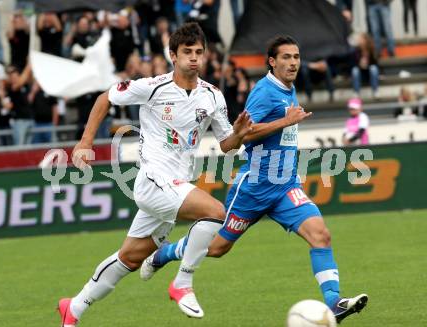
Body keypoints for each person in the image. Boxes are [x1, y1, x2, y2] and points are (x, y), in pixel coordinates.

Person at [141, 35, 369, 324]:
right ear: (272, 62)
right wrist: (285, 122)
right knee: (216, 248)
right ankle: (164, 253)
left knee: (320, 234)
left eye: (296, 57)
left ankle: (334, 302)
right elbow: (244, 133)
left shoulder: (288, 89)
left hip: (285, 186)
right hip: (254, 187)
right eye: (286, 57)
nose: (293, 62)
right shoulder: (264, 91)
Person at [57, 22, 252, 326]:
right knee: (215, 212)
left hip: (176, 186)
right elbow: (105, 98)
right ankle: (183, 283)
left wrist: (239, 135)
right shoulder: (153, 87)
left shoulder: (213, 96)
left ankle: (74, 307)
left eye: (198, 52)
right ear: (173, 55)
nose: (194, 58)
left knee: (130, 258)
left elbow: (227, 145)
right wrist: (85, 143)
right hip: (152, 180)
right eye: (187, 52)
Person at [351, 33, 379, 98]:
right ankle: (356, 92)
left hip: (370, 73)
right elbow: (352, 64)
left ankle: (375, 91)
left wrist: (368, 64)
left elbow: (376, 64)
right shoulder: (355, 50)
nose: (359, 40)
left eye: (361, 39)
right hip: (360, 74)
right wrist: (359, 64)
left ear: (366, 40)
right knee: (354, 70)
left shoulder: (372, 50)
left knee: (373, 68)